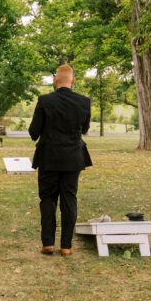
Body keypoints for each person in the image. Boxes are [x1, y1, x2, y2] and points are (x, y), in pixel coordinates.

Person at [28, 64, 92, 257]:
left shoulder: (45, 100)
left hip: (49, 157)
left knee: (48, 198)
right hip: (73, 157)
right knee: (69, 199)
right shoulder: (84, 102)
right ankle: (66, 246)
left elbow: (33, 132)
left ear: (55, 80)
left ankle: (48, 243)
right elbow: (84, 129)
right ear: (73, 81)